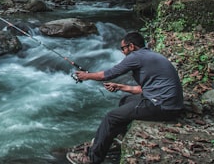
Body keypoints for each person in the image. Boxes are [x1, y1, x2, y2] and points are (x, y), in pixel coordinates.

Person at [66, 31, 184, 164]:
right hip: (170, 103)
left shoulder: (135, 57)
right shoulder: (149, 55)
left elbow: (108, 74)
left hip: (162, 106)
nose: (122, 52)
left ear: (131, 46)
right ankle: (116, 139)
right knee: (125, 100)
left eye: (123, 48)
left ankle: (92, 159)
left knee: (111, 118)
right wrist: (120, 86)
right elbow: (143, 89)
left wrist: (86, 76)